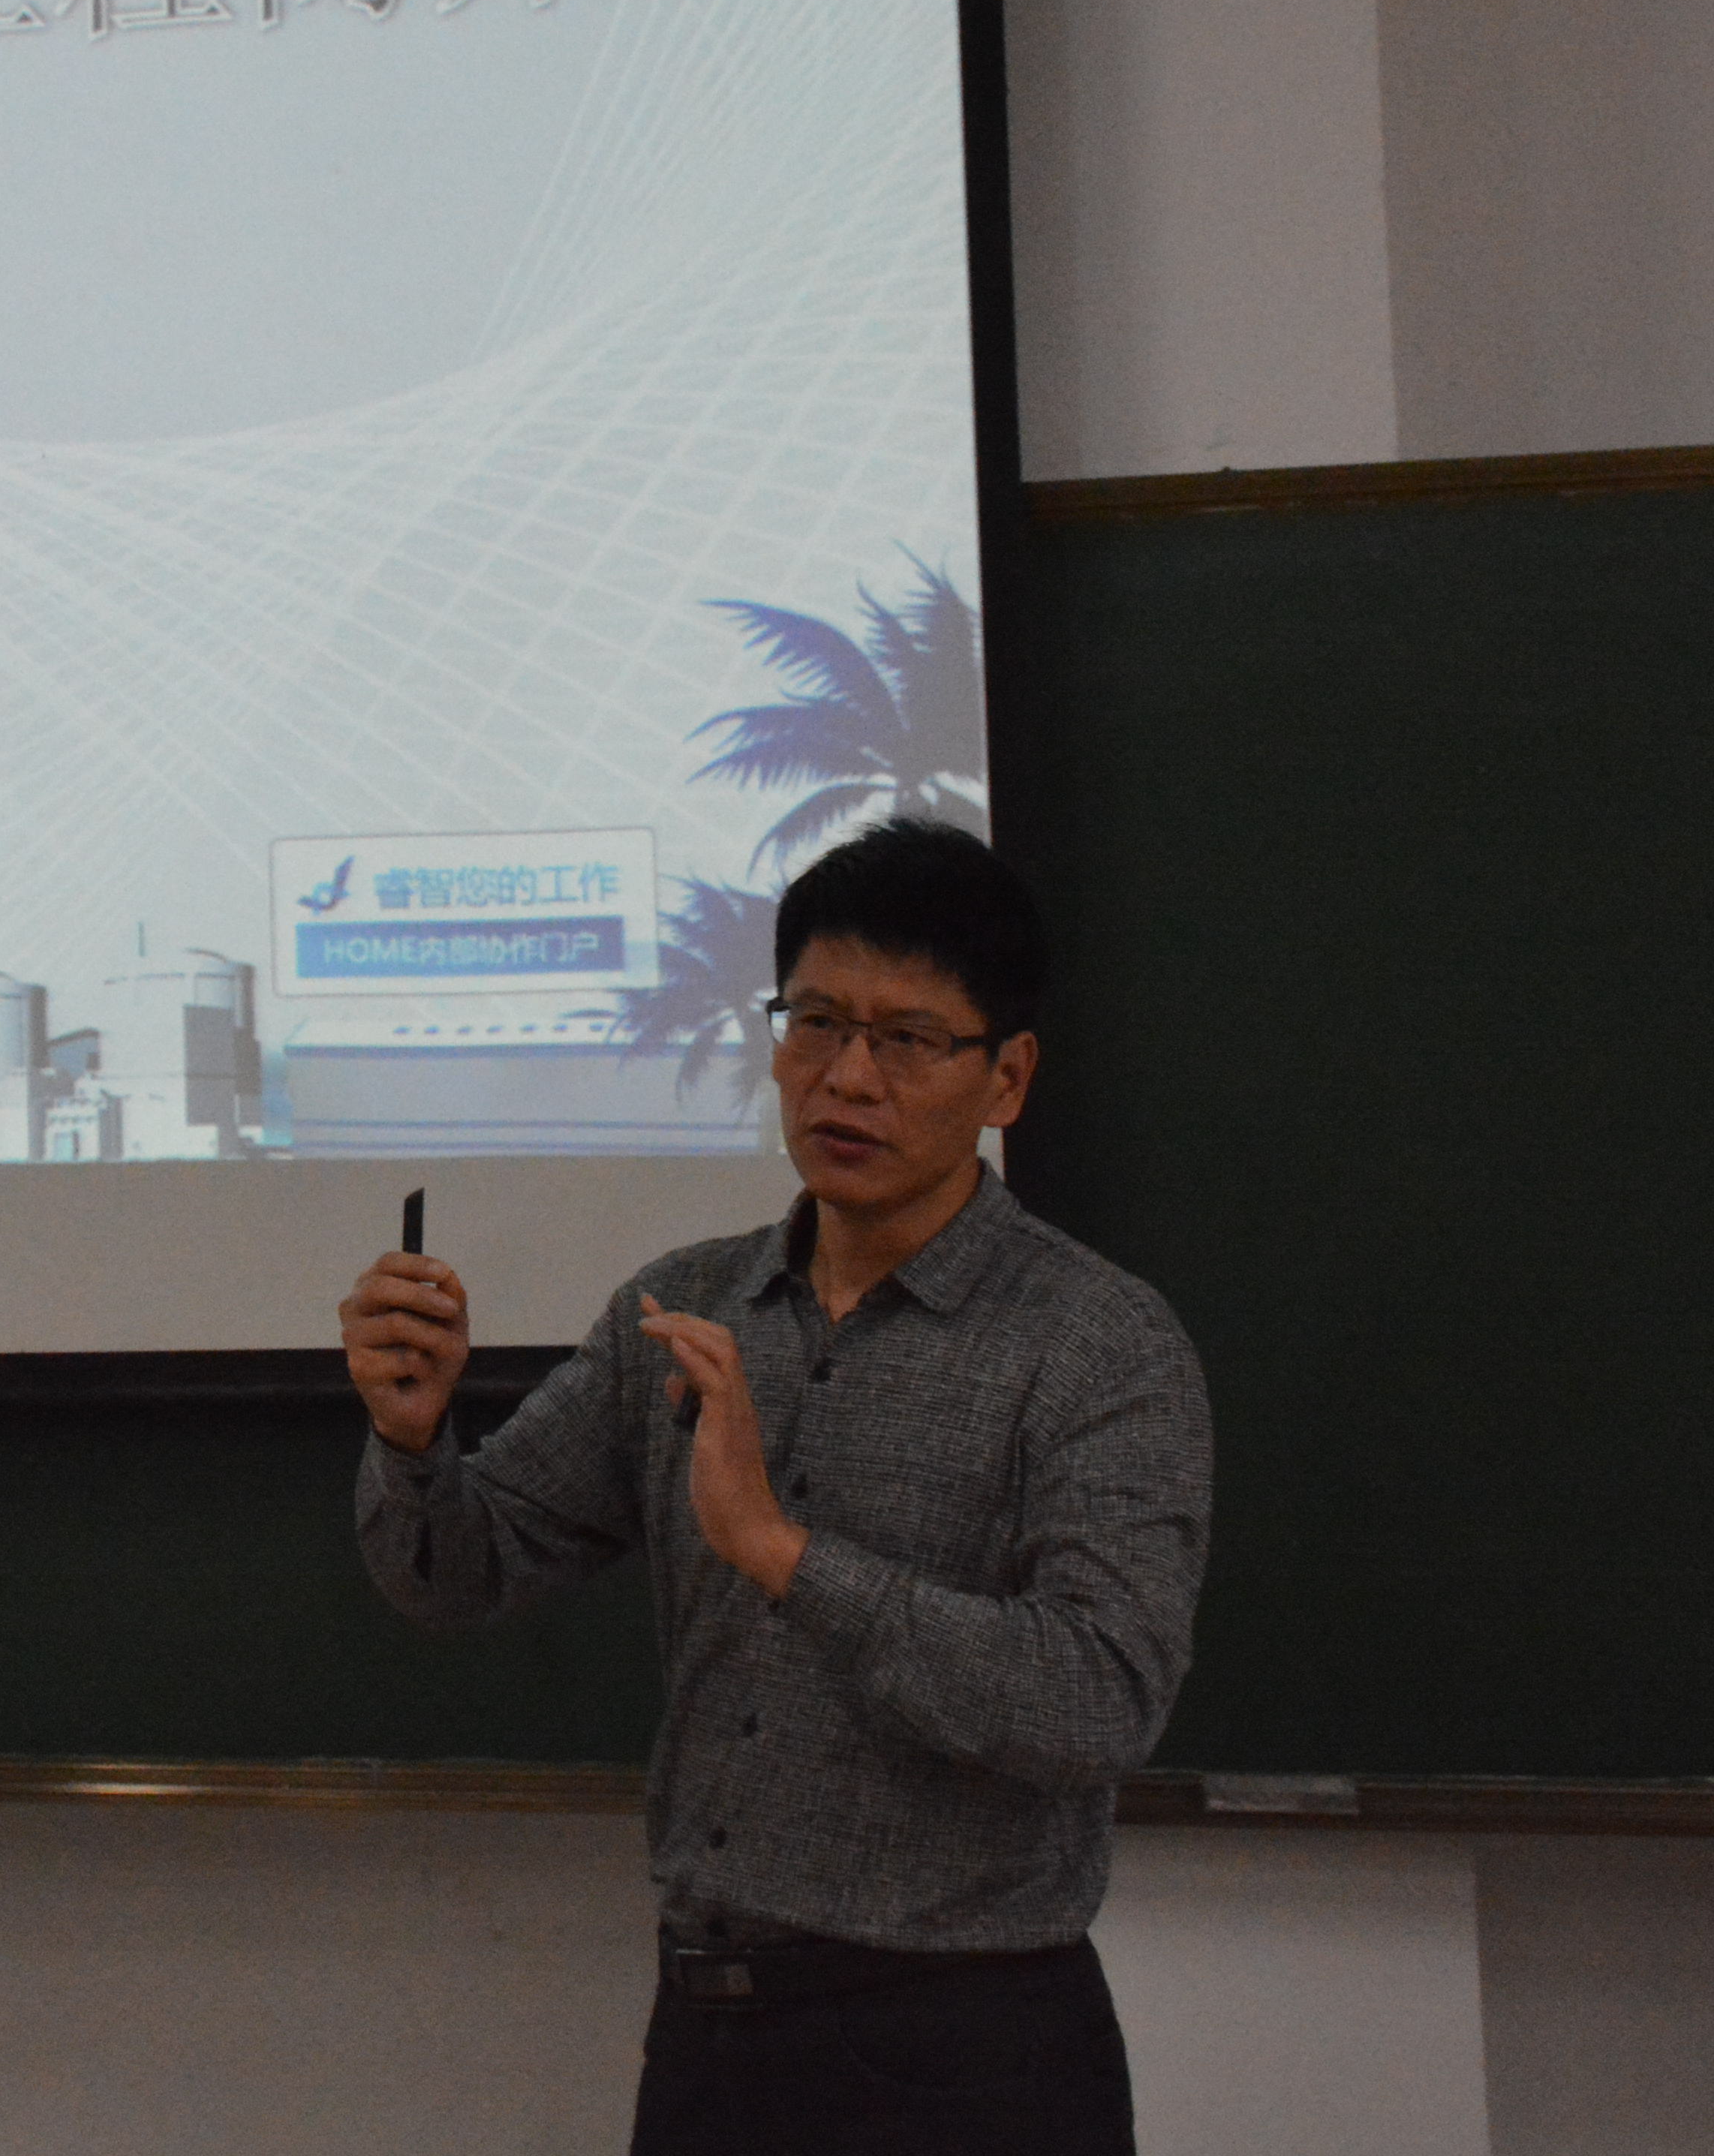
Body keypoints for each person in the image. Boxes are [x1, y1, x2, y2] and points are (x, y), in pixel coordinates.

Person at [340, 816, 1208, 2155]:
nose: (847, 1077)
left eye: (908, 1039)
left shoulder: (1097, 1344)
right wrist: (411, 1441)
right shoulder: (685, 1302)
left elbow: (1098, 1699)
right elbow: (459, 1573)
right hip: (711, 2032)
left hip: (969, 2050)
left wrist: (780, 1550)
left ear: (1007, 1078)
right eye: (816, 1024)